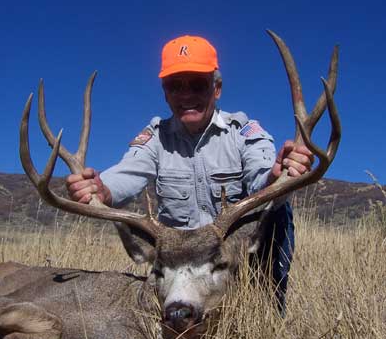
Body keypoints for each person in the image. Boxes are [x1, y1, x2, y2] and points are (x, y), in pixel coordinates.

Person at [66, 35, 314, 314]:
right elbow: (127, 173)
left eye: (197, 84)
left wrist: (276, 176)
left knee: (278, 211)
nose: (186, 96)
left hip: (233, 254)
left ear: (216, 88)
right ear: (165, 92)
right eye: (175, 86)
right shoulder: (155, 137)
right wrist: (100, 190)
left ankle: (267, 307)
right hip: (180, 259)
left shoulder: (243, 131)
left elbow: (262, 175)